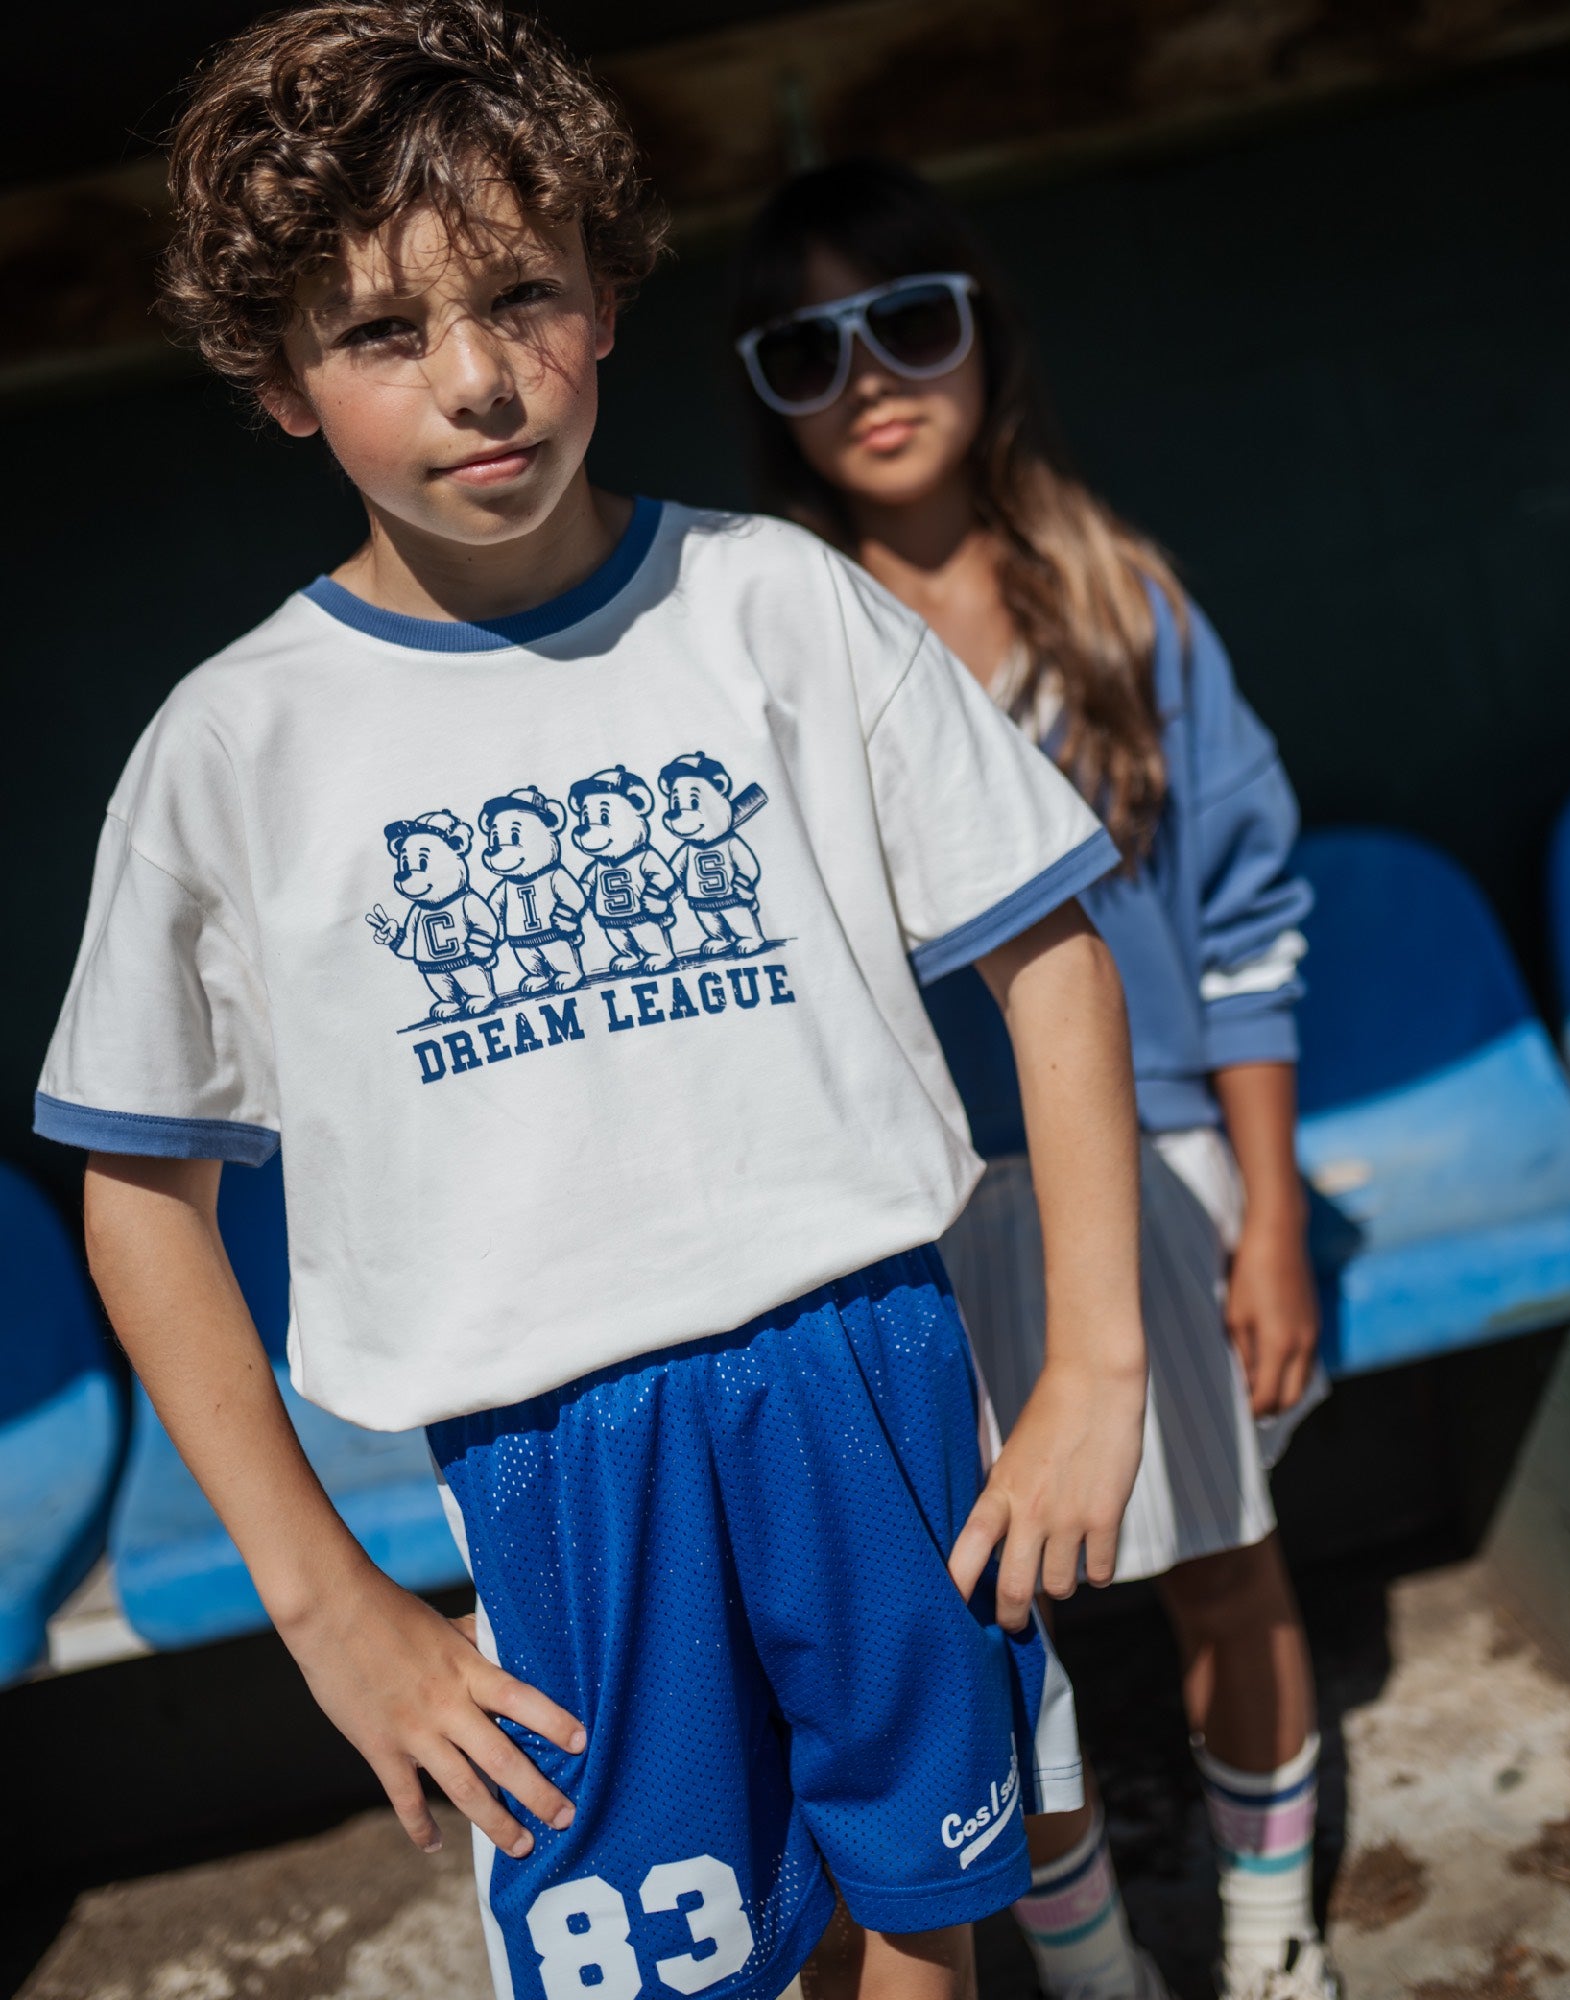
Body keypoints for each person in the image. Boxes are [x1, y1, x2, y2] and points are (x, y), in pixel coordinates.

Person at [33, 11, 1154, 2000]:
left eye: (518, 295)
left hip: (866, 1374)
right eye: (382, 332)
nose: (475, 378)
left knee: (923, 1908)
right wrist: (326, 1600)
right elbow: (138, 1196)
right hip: (555, 1466)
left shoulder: (776, 608)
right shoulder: (228, 750)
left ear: (607, 294)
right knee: (681, 1968)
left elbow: (1047, 952)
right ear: (279, 378)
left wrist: (1092, 1367)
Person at [730, 160, 1338, 2000]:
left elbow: (1246, 924)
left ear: (984, 336)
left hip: (1152, 1180)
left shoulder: (1120, 602)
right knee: (1004, 1639)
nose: (871, 379)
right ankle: (1093, 1977)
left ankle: (1269, 1940)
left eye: (910, 321)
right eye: (805, 353)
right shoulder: (764, 652)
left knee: (1228, 1570)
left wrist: (1276, 1217)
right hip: (911, 1228)